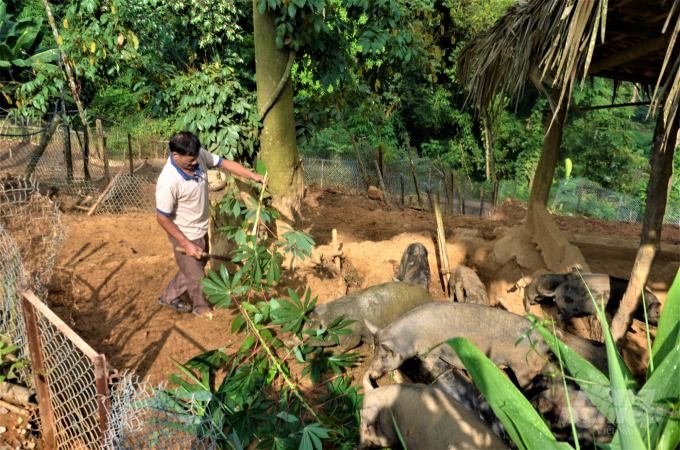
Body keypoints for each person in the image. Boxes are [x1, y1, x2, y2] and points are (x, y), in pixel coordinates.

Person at [155, 131, 265, 317]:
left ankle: (169, 297)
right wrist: (186, 243)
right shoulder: (168, 181)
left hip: (200, 227)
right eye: (190, 160)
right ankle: (202, 309)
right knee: (198, 276)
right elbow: (162, 218)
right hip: (184, 233)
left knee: (194, 265)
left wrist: (252, 175)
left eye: (196, 157)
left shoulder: (198, 155)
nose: (195, 162)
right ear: (175, 155)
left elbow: (226, 164)